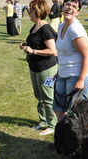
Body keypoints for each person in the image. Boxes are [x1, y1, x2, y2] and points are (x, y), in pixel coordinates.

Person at [20, 0, 58, 135]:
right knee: (39, 95)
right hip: (34, 67)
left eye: (31, 10)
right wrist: (26, 45)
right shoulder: (35, 26)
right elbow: (35, 43)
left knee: (47, 97)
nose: (28, 12)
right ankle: (43, 121)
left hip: (46, 69)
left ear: (38, 12)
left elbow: (53, 51)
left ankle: (52, 125)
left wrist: (33, 51)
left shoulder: (46, 29)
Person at [53, 0, 88, 121]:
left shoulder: (75, 29)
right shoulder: (61, 26)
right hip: (63, 74)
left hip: (77, 75)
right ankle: (62, 137)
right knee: (58, 108)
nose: (70, 8)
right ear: (63, 7)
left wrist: (81, 80)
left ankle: (75, 139)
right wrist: (59, 71)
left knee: (76, 114)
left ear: (77, 12)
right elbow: (63, 53)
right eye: (68, 5)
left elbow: (87, 55)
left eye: (74, 7)